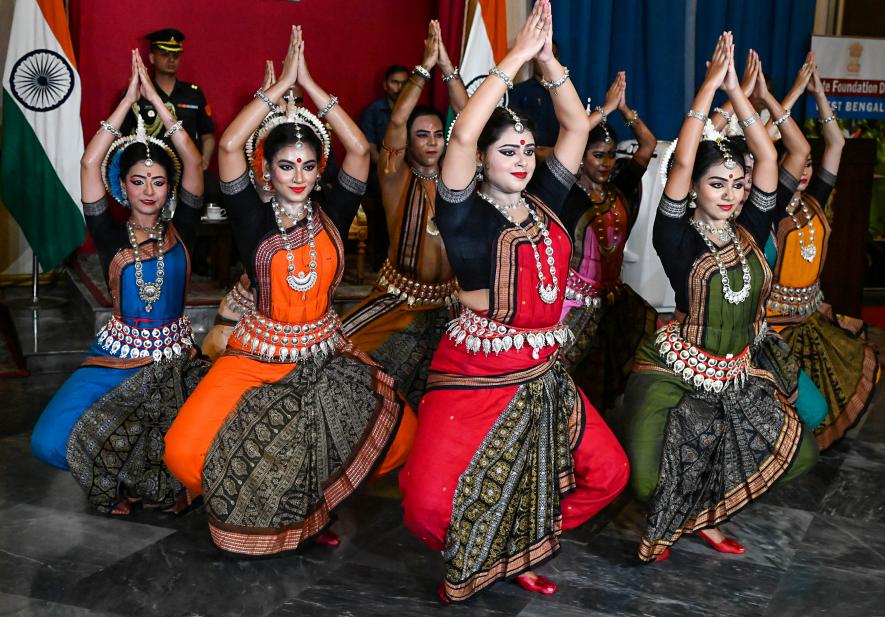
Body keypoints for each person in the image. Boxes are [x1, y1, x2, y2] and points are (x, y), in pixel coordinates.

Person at [400, 1, 629, 602]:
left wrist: (550, 62)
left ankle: (517, 539)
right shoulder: (463, 212)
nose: (524, 160)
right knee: (426, 506)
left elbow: (576, 127)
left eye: (528, 150)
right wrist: (514, 59)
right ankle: (490, 544)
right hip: (476, 372)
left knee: (609, 475)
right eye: (509, 151)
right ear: (481, 160)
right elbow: (464, 131)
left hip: (542, 372)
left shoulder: (550, 199)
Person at [163, 26, 412, 555]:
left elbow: (361, 151)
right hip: (257, 352)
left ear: (318, 168)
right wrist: (277, 93)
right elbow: (229, 144)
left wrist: (314, 87)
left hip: (320, 354)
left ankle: (304, 501)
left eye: (306, 165)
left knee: (400, 438)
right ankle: (259, 498)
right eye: (284, 166)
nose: (297, 176)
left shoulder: (334, 214)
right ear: (267, 172)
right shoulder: (252, 220)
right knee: (182, 455)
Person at [616, 32, 819, 562]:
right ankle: (666, 512)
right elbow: (680, 164)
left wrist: (742, 93)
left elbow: (770, 159)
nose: (729, 195)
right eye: (716, 185)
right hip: (674, 365)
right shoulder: (676, 235)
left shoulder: (752, 225)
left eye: (735, 184)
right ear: (695, 190)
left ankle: (698, 518)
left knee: (796, 453)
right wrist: (709, 89)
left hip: (736, 371)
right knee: (643, 477)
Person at [30, 50, 208, 515]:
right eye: (137, 181)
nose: (149, 190)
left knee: (194, 442)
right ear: (122, 185)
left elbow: (191, 160)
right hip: (117, 353)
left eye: (158, 181)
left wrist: (160, 107)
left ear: (170, 187)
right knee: (49, 440)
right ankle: (119, 477)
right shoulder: (110, 234)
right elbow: (89, 163)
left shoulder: (182, 228)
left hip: (175, 359)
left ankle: (162, 483)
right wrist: (129, 101)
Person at [341, 20, 467, 409]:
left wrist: (450, 69)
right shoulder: (396, 174)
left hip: (451, 304)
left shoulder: (459, 180)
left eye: (436, 134)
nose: (431, 142)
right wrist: (424, 68)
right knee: (345, 362)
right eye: (421, 135)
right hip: (400, 299)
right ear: (407, 142)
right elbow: (396, 120)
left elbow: (469, 121)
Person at [763, 54, 879, 449]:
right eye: (800, 163)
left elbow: (837, 144)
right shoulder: (771, 210)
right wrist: (789, 96)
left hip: (810, 317)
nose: (807, 169)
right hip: (775, 325)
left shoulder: (815, 203)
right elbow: (766, 141)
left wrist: (820, 95)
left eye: (811, 164)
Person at [559, 71, 658, 412]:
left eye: (612, 155)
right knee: (568, 383)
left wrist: (626, 111)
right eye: (597, 155)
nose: (606, 163)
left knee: (602, 389)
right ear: (580, 156)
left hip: (613, 302)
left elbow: (647, 144)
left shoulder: (621, 187)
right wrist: (604, 109)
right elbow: (573, 137)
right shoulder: (568, 195)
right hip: (573, 308)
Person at [122, 29, 216, 171]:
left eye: (176, 55)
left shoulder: (193, 93)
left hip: (187, 170)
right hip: (150, 171)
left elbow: (208, 135)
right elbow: (122, 136)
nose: (171, 59)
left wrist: (204, 161)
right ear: (152, 58)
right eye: (165, 54)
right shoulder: (137, 93)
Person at [509, 40, 561, 147]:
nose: (546, 60)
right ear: (533, 58)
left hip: (563, 155)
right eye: (541, 55)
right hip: (529, 155)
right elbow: (512, 130)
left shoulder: (567, 94)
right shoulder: (518, 92)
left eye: (551, 56)